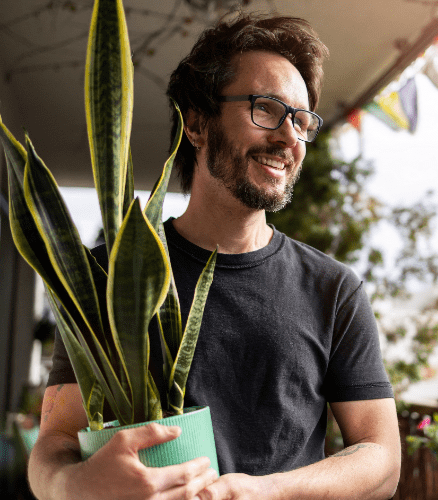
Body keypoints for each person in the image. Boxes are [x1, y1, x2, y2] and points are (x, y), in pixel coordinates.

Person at [29, 14, 401, 500]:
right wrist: (74, 484)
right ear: (198, 125)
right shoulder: (107, 277)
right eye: (266, 109)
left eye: (302, 120)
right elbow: (54, 441)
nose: (290, 138)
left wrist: (265, 491)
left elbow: (383, 459)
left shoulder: (332, 289)